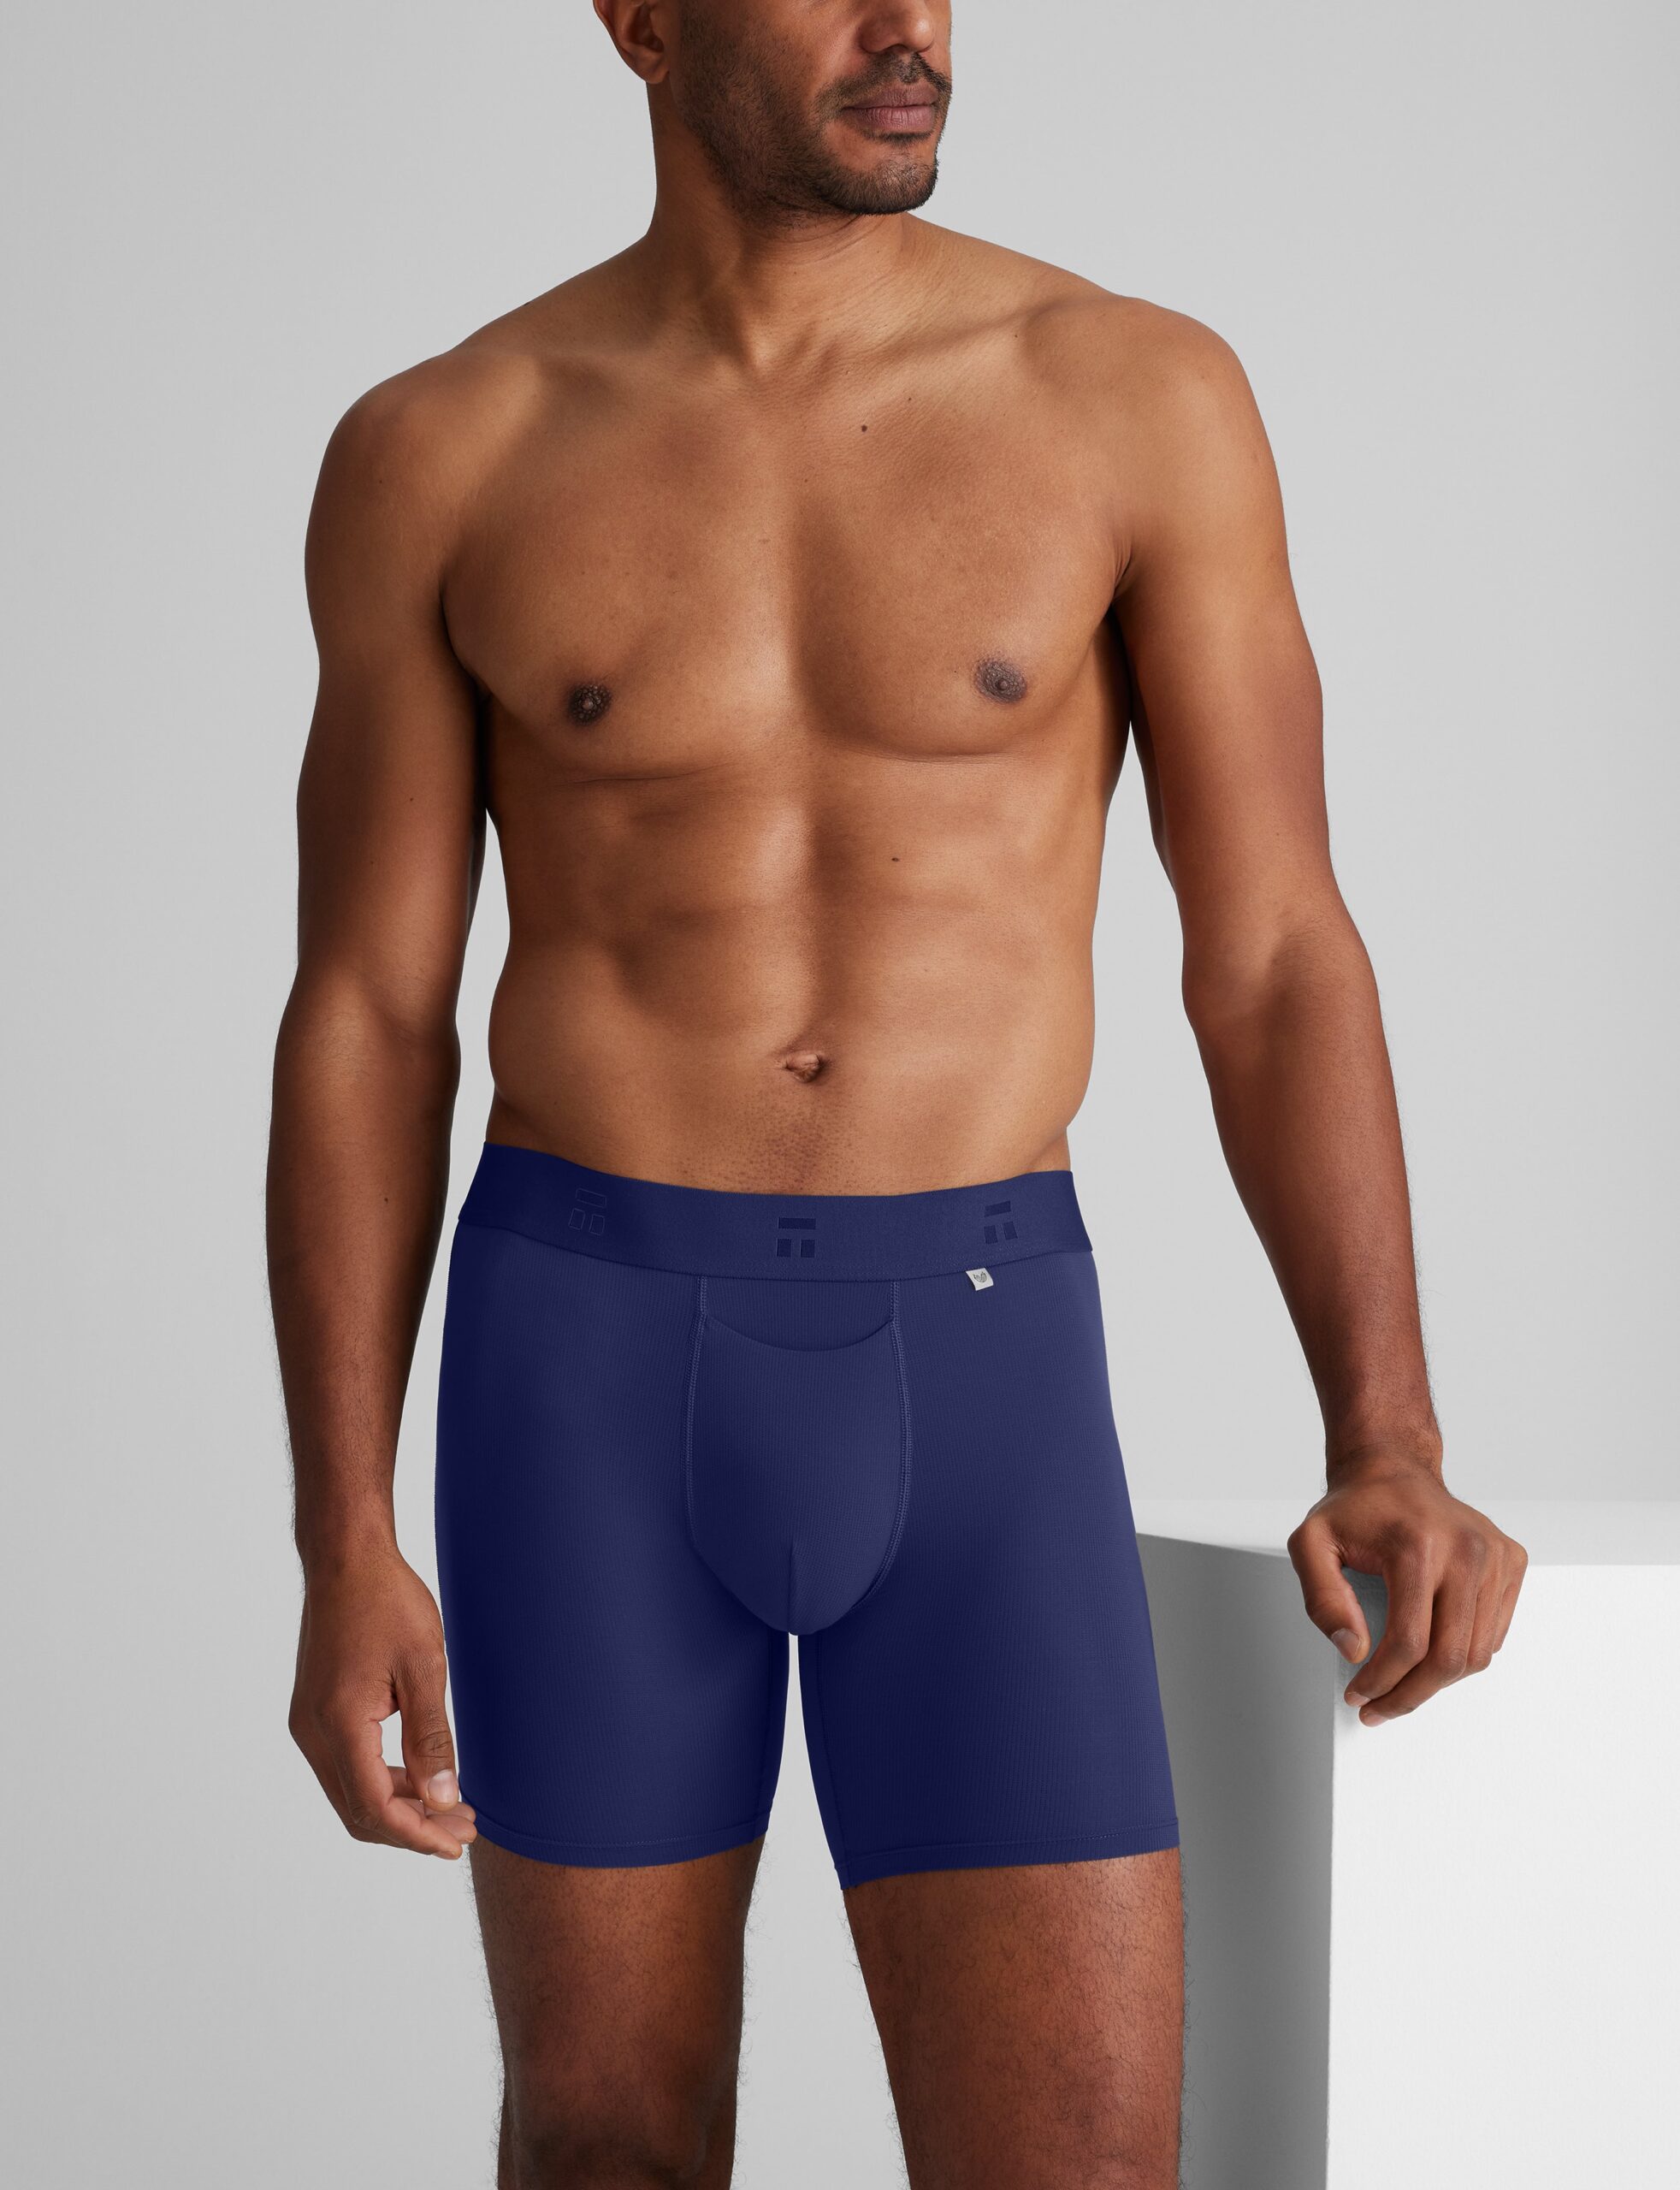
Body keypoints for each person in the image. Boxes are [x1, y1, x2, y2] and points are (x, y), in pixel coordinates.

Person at [268, 4, 1527, 2182]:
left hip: (980, 1355)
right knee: (604, 2141)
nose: (908, 24)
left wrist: (1386, 1430)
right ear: (640, 19)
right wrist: (342, 1532)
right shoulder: (447, 446)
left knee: (1071, 2160)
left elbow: (1271, 948)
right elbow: (372, 1010)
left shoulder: (1131, 397)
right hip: (583, 1358)